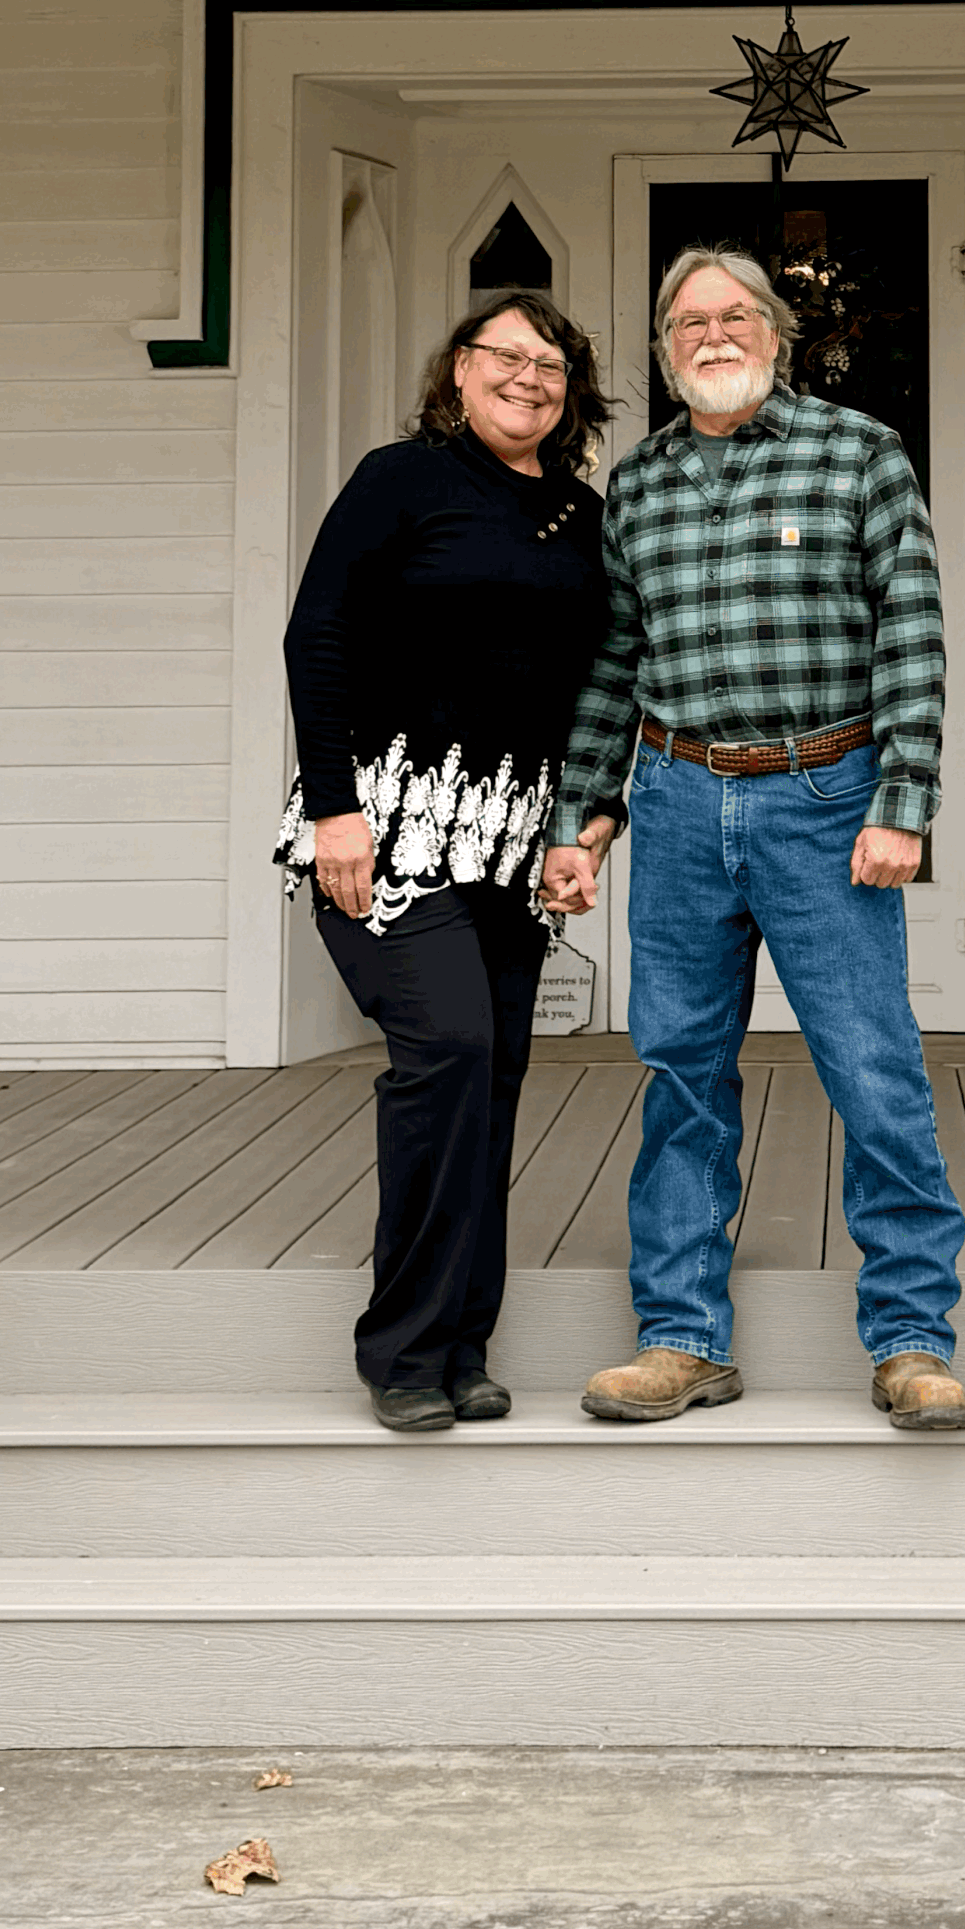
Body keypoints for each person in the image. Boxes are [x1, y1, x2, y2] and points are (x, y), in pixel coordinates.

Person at [546, 246, 965, 1434]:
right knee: (681, 1074)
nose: (713, 336)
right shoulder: (638, 484)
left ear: (776, 336)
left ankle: (912, 1342)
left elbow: (911, 631)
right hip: (677, 798)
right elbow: (615, 662)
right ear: (663, 350)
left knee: (870, 1068)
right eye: (688, 323)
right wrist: (583, 817)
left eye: (734, 316)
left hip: (825, 797)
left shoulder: (859, 453)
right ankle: (681, 1339)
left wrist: (903, 802)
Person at [278, 291, 610, 1434]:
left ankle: (465, 1344)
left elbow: (597, 683)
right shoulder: (400, 479)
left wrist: (588, 825)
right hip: (387, 831)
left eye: (552, 365)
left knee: (492, 1082)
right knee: (449, 1053)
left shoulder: (579, 514)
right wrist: (333, 809)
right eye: (505, 355)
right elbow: (316, 634)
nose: (529, 377)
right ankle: (403, 1350)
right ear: (458, 370)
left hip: (514, 845)